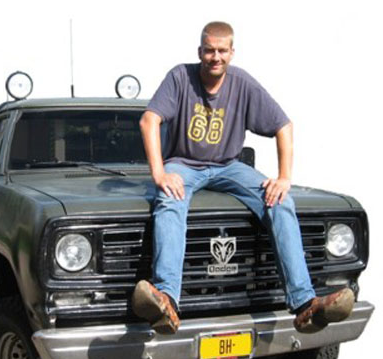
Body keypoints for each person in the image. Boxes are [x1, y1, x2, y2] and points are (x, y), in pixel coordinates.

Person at [132, 21, 354, 335]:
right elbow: (149, 120)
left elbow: (284, 126)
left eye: (222, 50)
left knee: (281, 201)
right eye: (209, 50)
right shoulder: (180, 77)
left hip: (228, 166)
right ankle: (165, 299)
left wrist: (284, 177)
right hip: (184, 164)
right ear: (200, 51)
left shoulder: (242, 84)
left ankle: (305, 303)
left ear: (232, 52)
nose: (215, 57)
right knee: (170, 198)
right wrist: (160, 172)